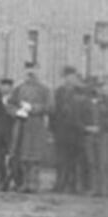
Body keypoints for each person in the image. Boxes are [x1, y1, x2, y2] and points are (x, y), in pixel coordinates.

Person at [6, 62, 52, 193]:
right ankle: (24, 183)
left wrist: (34, 108)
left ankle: (34, 183)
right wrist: (16, 112)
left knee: (34, 156)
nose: (31, 74)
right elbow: (10, 104)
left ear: (38, 71)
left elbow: (50, 106)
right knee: (21, 155)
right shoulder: (19, 88)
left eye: (34, 70)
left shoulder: (45, 89)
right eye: (28, 71)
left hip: (36, 125)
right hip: (21, 124)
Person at [53, 67, 91, 193]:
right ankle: (60, 184)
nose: (69, 79)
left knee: (76, 159)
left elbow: (85, 111)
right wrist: (53, 129)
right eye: (67, 76)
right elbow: (55, 111)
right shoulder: (59, 92)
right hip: (62, 131)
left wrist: (83, 126)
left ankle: (74, 185)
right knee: (61, 159)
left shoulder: (81, 91)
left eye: (72, 76)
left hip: (77, 131)